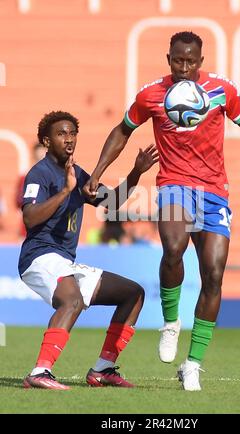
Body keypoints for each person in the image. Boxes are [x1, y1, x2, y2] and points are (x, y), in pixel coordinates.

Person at [83, 31, 240, 391]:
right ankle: (170, 323)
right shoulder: (151, 94)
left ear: (201, 62)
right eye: (178, 60)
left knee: (214, 274)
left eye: (191, 61)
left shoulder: (221, 89)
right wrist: (97, 173)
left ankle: (193, 364)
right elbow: (122, 130)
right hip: (173, 183)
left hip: (214, 190)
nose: (184, 67)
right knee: (173, 248)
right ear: (168, 57)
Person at [18, 110, 158, 390]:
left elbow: (114, 200)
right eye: (61, 134)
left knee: (133, 294)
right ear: (47, 140)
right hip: (39, 256)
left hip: (64, 261)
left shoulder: (78, 174)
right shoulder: (39, 174)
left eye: (72, 133)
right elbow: (30, 218)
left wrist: (136, 172)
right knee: (72, 301)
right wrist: (65, 192)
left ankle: (103, 369)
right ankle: (40, 372)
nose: (69, 139)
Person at [15, 143, 47, 238]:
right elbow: (18, 201)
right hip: (27, 232)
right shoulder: (26, 178)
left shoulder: (57, 178)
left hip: (49, 233)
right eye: (38, 158)